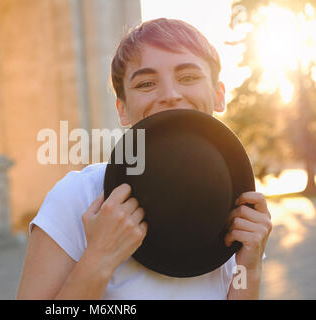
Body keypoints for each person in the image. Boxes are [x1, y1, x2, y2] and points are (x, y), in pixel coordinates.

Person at [16, 18, 273, 300]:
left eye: (188, 77)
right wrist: (99, 258)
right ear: (122, 110)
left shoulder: (234, 204)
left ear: (218, 95)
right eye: (146, 83)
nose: (170, 95)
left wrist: (249, 268)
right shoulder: (78, 197)